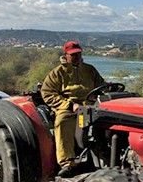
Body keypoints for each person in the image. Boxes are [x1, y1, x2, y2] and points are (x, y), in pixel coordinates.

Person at [41, 40, 104, 177]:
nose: (77, 57)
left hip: (89, 104)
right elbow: (47, 93)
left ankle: (104, 156)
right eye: (73, 55)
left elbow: (101, 85)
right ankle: (67, 162)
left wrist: (107, 89)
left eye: (78, 54)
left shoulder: (89, 69)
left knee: (108, 118)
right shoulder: (57, 73)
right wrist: (70, 105)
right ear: (66, 55)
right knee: (63, 121)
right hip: (68, 106)